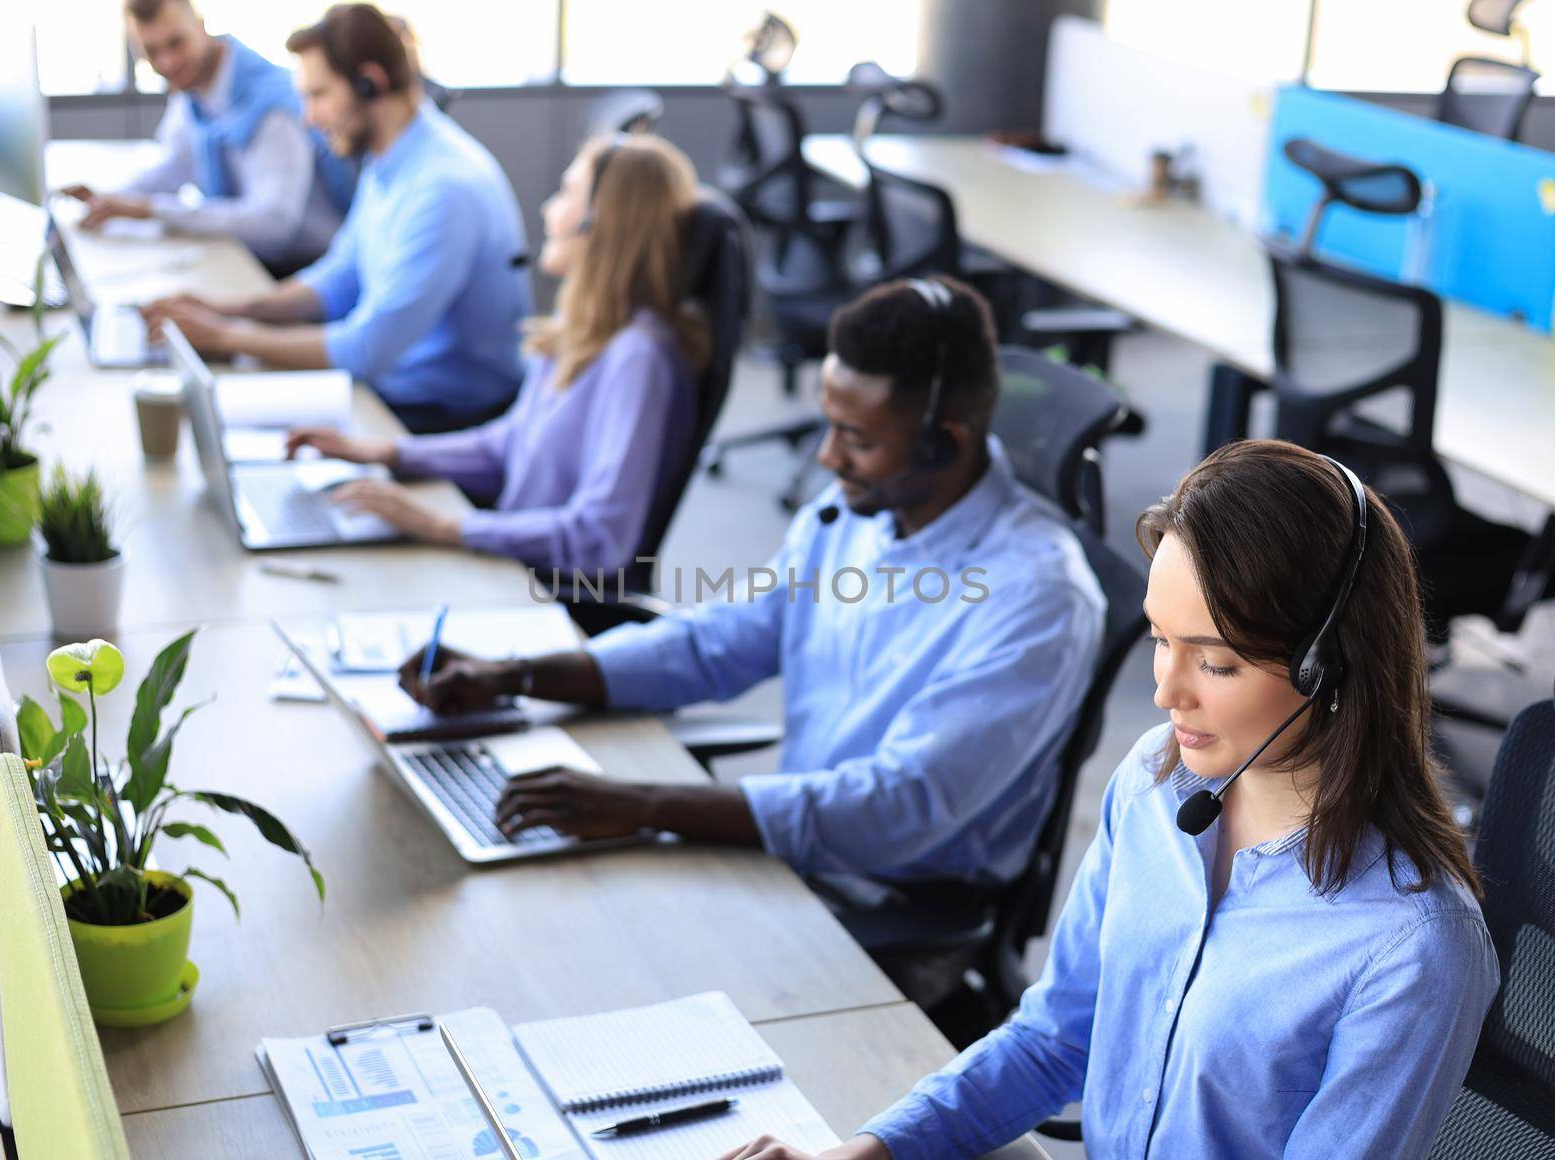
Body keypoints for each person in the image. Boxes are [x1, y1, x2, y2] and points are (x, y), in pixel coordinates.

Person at [716, 440, 1499, 1160]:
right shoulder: (1158, 783)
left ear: (1331, 667)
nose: (1164, 693)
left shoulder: (1414, 947)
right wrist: (871, 1151)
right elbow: (1056, 1039)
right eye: (1162, 639)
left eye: (1215, 663)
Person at [395, 277, 1106, 908]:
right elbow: (720, 641)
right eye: (828, 426)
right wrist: (517, 674)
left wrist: (642, 804)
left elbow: (897, 811)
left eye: (855, 439)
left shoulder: (1037, 597)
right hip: (791, 854)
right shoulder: (852, 514)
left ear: (945, 444)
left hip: (890, 901)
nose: (826, 459)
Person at [282, 133, 706, 570]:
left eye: (567, 194)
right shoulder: (579, 330)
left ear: (604, 221)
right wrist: (387, 453)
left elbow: (600, 535)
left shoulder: (638, 359)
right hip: (506, 557)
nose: (549, 210)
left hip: (540, 590)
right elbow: (507, 446)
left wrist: (445, 527)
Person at [146, 3, 531, 433]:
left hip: (442, 416)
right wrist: (232, 311)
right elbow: (341, 275)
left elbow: (367, 348)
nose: (309, 118)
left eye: (318, 95)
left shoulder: (443, 189)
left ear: (370, 83)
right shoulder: (392, 158)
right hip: (392, 389)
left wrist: (224, 336)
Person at [62, 0, 352, 275]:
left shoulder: (272, 108)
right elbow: (177, 165)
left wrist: (151, 210)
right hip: (247, 258)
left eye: (176, 43)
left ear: (201, 26)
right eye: (151, 51)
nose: (168, 62)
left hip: (302, 268)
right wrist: (107, 199)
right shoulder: (193, 94)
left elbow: (272, 226)